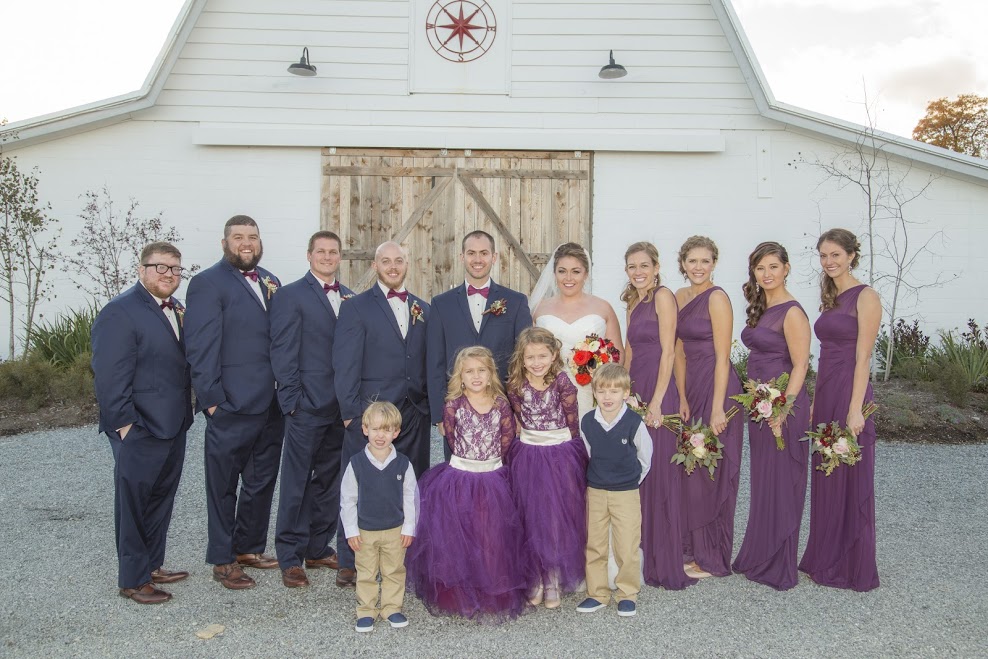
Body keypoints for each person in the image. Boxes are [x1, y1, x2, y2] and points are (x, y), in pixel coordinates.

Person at [184, 215, 285, 589]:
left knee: (261, 481)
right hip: (230, 403)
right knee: (223, 485)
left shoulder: (270, 280)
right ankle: (223, 559)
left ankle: (248, 547)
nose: (247, 243)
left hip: (271, 404)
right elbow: (199, 345)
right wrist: (212, 401)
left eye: (253, 237)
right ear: (224, 242)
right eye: (239, 237)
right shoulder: (207, 283)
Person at [91, 242, 193, 604]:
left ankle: (151, 564)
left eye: (175, 269)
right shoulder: (120, 312)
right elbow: (108, 375)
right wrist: (124, 427)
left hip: (173, 423)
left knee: (160, 499)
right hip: (140, 427)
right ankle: (132, 580)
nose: (168, 274)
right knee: (133, 505)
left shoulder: (177, 309)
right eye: (160, 267)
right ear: (142, 269)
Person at [405, 347, 529, 621]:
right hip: (460, 480)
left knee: (490, 534)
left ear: (490, 374)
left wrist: (491, 466)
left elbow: (506, 441)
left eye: (481, 370)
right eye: (469, 371)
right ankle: (461, 592)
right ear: (460, 377)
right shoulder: (453, 406)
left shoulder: (500, 404)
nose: (476, 376)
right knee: (461, 535)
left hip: (493, 479)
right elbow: (451, 439)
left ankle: (490, 589)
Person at [333, 241, 430, 587]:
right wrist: (350, 415)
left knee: (410, 487)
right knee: (359, 486)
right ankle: (350, 560)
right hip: (371, 416)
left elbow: (425, 362)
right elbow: (344, 364)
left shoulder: (423, 308)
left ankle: (408, 560)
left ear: (407, 264)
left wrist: (429, 409)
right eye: (386, 261)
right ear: (375, 266)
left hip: (413, 414)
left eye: (399, 261)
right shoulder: (356, 308)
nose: (393, 266)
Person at [270, 231, 355, 588]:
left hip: (341, 409)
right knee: (295, 481)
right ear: (309, 256)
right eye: (320, 251)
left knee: (330, 481)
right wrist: (292, 403)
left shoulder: (351, 297)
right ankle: (289, 556)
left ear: (340, 257)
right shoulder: (290, 295)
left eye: (333, 252)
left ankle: (319, 547)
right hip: (306, 406)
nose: (327, 257)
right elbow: (283, 351)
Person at [799, 228, 881, 591]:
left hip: (852, 390)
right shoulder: (831, 296)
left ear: (851, 255)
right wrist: (817, 398)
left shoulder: (866, 297)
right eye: (823, 256)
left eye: (835, 255)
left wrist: (856, 409)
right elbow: (824, 355)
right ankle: (824, 554)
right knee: (825, 472)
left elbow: (863, 357)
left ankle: (851, 563)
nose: (829, 262)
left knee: (851, 472)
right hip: (829, 389)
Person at [731, 242, 811, 591]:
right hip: (760, 403)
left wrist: (783, 409)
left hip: (782, 405)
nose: (766, 274)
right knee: (763, 480)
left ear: (786, 268)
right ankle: (758, 553)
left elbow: (801, 364)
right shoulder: (762, 307)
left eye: (773, 267)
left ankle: (778, 561)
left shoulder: (792, 311)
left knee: (782, 480)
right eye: (760, 268)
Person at [621, 242, 695, 591]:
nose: (638, 272)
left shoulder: (664, 297)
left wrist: (657, 401)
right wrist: (621, 393)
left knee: (661, 471)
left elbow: (669, 351)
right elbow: (628, 351)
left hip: (657, 390)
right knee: (639, 471)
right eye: (632, 267)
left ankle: (665, 558)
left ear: (656, 266)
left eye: (643, 266)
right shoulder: (632, 302)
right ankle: (643, 551)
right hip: (634, 388)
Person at [428, 230, 532, 460]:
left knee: (502, 478)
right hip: (457, 411)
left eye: (484, 253)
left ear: (494, 257)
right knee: (460, 478)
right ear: (462, 257)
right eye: (471, 253)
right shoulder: (440, 304)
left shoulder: (515, 302)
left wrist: (519, 410)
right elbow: (434, 362)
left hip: (502, 410)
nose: (477, 259)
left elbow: (523, 362)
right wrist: (439, 415)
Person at [674, 235, 743, 579]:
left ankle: (713, 556)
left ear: (714, 263)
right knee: (691, 470)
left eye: (705, 261)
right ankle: (692, 549)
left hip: (718, 387)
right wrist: (683, 397)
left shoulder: (717, 299)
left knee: (712, 469)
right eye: (692, 261)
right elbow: (677, 352)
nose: (698, 267)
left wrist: (718, 408)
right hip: (691, 386)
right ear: (682, 264)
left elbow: (723, 357)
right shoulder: (678, 297)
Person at [505, 327, 587, 608]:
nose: (537, 362)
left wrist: (572, 458)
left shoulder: (562, 382)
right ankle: (536, 576)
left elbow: (572, 421)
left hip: (559, 455)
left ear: (554, 355)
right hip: (528, 455)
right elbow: (518, 416)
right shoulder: (516, 384)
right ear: (522, 358)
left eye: (542, 355)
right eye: (530, 357)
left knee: (554, 517)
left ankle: (553, 576)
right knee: (531, 515)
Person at [576, 363, 652, 618]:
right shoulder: (588, 422)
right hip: (596, 491)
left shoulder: (633, 422)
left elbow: (645, 458)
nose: (608, 397)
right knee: (595, 544)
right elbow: (588, 454)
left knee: (626, 545)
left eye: (614, 391)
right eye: (602, 391)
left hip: (626, 493)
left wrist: (630, 481)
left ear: (626, 393)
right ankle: (597, 593)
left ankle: (627, 593)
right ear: (594, 393)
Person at [340, 402, 419, 633]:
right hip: (365, 531)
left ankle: (392, 608)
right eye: (375, 429)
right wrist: (351, 531)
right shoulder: (356, 464)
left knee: (394, 570)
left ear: (396, 432)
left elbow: (411, 498)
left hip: (395, 530)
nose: (380, 435)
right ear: (365, 429)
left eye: (386, 430)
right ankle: (366, 610)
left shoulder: (403, 464)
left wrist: (409, 528)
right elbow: (348, 499)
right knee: (365, 571)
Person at [532, 242, 623, 418]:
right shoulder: (539, 309)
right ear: (554, 273)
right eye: (562, 271)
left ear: (586, 274)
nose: (568, 278)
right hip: (547, 390)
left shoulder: (603, 308)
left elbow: (618, 355)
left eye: (576, 271)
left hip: (590, 392)